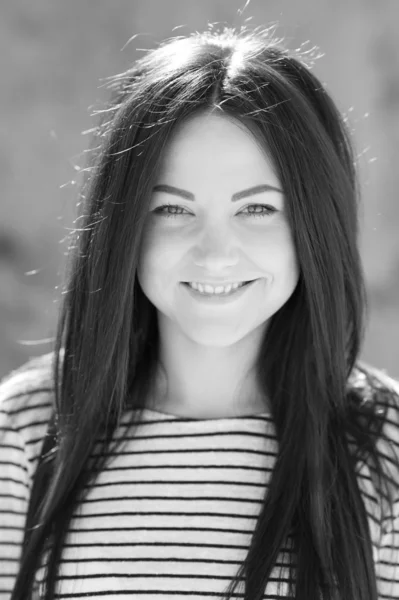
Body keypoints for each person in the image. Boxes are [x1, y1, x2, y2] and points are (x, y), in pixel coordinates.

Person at [0, 25, 398, 600]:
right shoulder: (25, 433)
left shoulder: (384, 450)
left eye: (257, 207)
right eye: (172, 209)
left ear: (315, 225)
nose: (215, 253)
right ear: (124, 227)